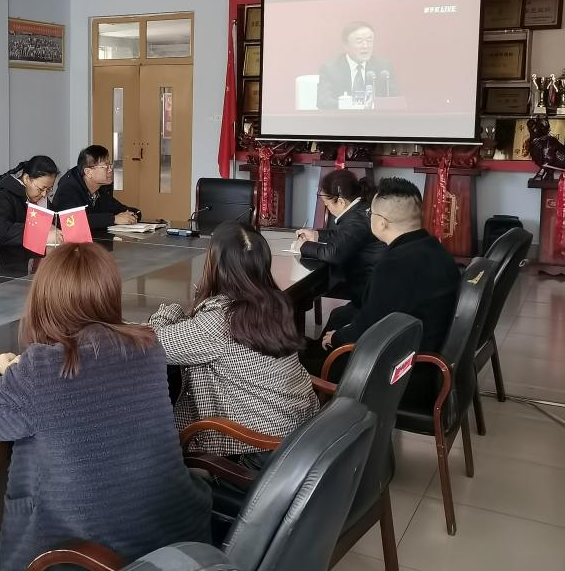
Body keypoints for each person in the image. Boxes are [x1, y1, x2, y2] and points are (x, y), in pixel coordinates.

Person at [0, 243, 212, 571]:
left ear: (44, 300)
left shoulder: (43, 368)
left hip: (88, 559)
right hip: (176, 543)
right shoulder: (148, 346)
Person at [149, 223, 318, 462]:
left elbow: (151, 344)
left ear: (215, 264)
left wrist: (170, 311)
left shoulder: (220, 321)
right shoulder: (276, 303)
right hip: (298, 437)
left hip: (257, 452)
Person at [304, 177, 460, 372]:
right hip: (419, 352)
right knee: (339, 319)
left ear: (382, 223)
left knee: (298, 368)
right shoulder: (435, 249)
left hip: (395, 371)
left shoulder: (394, 265)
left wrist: (337, 337)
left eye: (370, 213)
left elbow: (369, 327)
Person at [294, 170, 385, 306]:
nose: (328, 209)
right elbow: (345, 237)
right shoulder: (361, 208)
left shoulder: (356, 220)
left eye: (327, 205)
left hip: (367, 289)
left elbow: (333, 253)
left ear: (341, 202)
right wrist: (316, 235)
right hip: (371, 281)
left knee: (314, 292)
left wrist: (303, 246)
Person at [0, 156, 63, 248]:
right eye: (41, 189)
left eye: (49, 189)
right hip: (4, 254)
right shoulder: (3, 196)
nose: (44, 194)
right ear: (26, 179)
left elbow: (56, 223)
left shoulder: (40, 197)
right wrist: (40, 233)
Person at [50, 145, 140, 230]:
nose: (110, 170)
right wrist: (113, 219)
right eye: (106, 167)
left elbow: (121, 209)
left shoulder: (102, 189)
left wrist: (134, 215)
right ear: (88, 172)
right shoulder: (68, 190)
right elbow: (70, 221)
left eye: (110, 165)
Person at [315, 22, 398, 109]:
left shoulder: (383, 68)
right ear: (345, 45)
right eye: (359, 41)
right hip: (344, 117)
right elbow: (323, 102)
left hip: (375, 117)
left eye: (369, 41)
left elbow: (396, 101)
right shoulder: (330, 69)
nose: (365, 46)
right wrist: (353, 106)